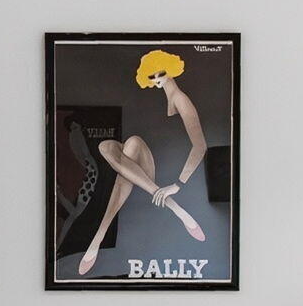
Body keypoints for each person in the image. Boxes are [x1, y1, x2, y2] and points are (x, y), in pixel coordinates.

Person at [76, 48, 208, 276]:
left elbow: (200, 146)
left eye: (161, 73)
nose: (157, 79)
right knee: (110, 146)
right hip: (140, 172)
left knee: (133, 144)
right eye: (152, 75)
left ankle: (98, 236)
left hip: (151, 170)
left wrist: (178, 184)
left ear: (173, 68)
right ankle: (175, 209)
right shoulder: (160, 98)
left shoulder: (181, 99)